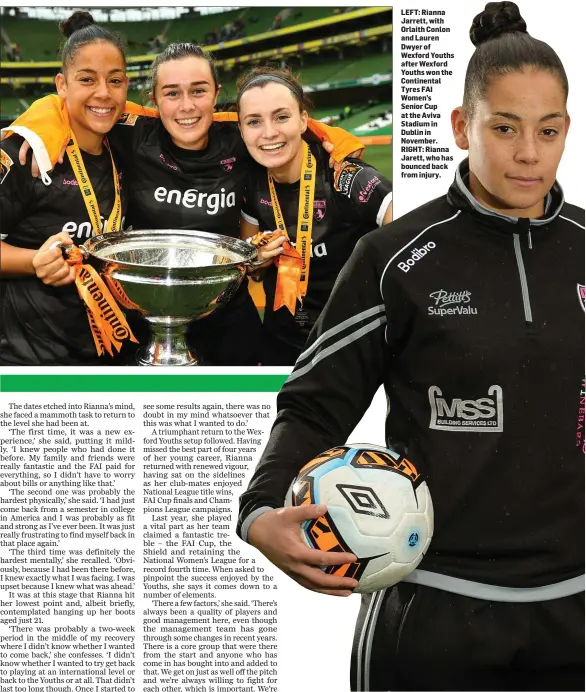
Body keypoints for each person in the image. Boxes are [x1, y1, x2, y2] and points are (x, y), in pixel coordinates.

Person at [237, 3, 584, 690]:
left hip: (576, 610)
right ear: (462, 126)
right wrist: (258, 514)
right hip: (430, 611)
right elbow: (314, 405)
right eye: (504, 127)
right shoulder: (394, 258)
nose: (528, 153)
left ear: (567, 130)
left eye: (548, 131)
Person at [4, 33, 363, 366]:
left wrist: (338, 141)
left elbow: (289, 125)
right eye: (172, 93)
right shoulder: (130, 134)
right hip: (143, 323)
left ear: (216, 93)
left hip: (228, 324)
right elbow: (76, 104)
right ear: (154, 101)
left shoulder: (240, 137)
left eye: (199, 90)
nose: (186, 106)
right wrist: (42, 124)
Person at [237, 66, 393, 365]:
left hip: (347, 349)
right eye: (254, 121)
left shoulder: (344, 176)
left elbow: (415, 240)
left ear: (303, 121)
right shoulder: (251, 182)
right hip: (279, 347)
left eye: (281, 117)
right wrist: (255, 258)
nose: (269, 132)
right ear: (242, 130)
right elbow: (252, 267)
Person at [0, 12, 130, 366]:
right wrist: (32, 262)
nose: (103, 93)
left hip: (110, 353)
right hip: (31, 360)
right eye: (86, 79)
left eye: (115, 80)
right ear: (62, 85)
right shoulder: (27, 153)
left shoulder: (127, 146)